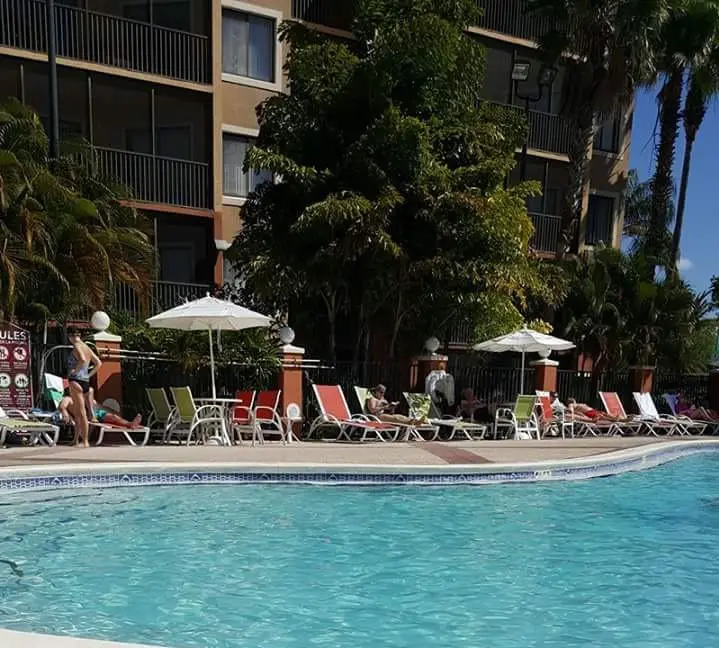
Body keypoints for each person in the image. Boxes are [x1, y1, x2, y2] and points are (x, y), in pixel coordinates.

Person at [67, 328, 102, 447]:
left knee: (81, 412)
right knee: (78, 412)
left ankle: (85, 441)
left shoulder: (76, 345)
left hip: (76, 381)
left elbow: (81, 359)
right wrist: (88, 375)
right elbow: (98, 363)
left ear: (70, 336)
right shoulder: (86, 346)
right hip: (85, 381)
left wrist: (75, 372)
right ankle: (76, 439)